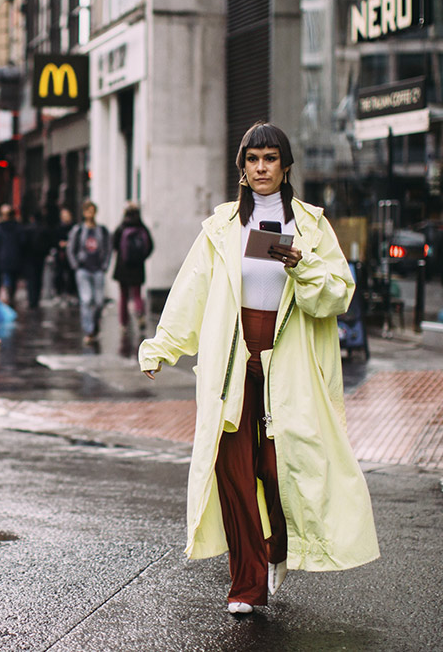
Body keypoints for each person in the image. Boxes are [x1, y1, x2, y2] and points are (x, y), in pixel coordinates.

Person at [138, 122, 378, 615]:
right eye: (253, 159)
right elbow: (191, 291)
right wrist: (162, 347)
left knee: (280, 465)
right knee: (234, 471)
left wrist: (301, 264)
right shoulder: (222, 225)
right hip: (232, 362)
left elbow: (338, 294)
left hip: (289, 362)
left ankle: (278, 550)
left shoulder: (311, 224)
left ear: (286, 166)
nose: (262, 167)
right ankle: (245, 584)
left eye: (271, 158)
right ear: (243, 168)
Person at [67, 200, 111, 343]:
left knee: (98, 302)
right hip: (83, 269)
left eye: (92, 210)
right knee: (86, 300)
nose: (89, 214)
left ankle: (95, 326)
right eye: (87, 210)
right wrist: (76, 265)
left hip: (98, 269)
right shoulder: (78, 230)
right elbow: (71, 248)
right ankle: (89, 330)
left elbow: (108, 249)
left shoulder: (102, 231)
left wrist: (105, 265)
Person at [111, 202, 154, 332]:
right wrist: (141, 258)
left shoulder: (121, 228)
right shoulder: (142, 228)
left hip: (123, 267)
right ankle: (140, 313)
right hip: (137, 267)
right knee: (137, 293)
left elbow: (114, 244)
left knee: (123, 295)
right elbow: (150, 247)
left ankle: (124, 323)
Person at [0, 204, 25, 306]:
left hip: (4, 256)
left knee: (7, 276)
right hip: (15, 256)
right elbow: (23, 241)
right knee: (13, 278)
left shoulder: (0, 227)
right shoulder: (18, 227)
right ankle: (10, 294)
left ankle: (7, 293)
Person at [51, 207, 77, 305]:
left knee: (71, 275)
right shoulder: (58, 228)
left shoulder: (74, 228)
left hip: (71, 255)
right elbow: (54, 240)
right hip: (61, 255)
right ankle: (60, 293)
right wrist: (59, 244)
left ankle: (71, 293)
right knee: (59, 274)